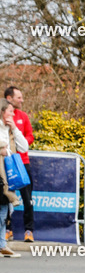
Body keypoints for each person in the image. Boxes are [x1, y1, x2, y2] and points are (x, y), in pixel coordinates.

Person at [3, 86, 34, 242]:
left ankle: (29, 231)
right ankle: (8, 230)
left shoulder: (23, 116)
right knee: (7, 197)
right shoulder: (3, 118)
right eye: (19, 97)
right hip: (7, 165)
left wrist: (20, 145)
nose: (22, 100)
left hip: (23, 162)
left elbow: (30, 136)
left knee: (27, 198)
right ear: (9, 99)